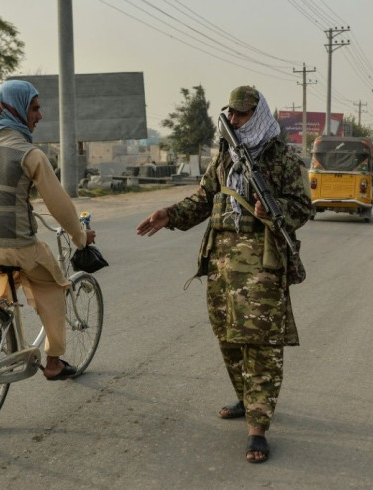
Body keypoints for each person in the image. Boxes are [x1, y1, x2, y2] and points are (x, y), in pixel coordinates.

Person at [136, 85, 312, 463]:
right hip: (221, 263)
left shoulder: (282, 157)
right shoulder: (227, 156)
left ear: (259, 115)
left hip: (262, 265)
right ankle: (247, 397)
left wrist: (273, 209)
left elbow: (302, 207)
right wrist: (169, 214)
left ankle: (258, 427)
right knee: (228, 338)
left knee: (261, 344)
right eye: (231, 113)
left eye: (242, 114)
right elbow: (204, 199)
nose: (233, 120)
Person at [0, 80, 96, 380]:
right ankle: (54, 363)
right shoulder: (30, 154)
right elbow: (60, 206)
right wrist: (81, 237)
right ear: (16, 109)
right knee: (54, 286)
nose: (40, 115)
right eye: (34, 108)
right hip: (19, 248)